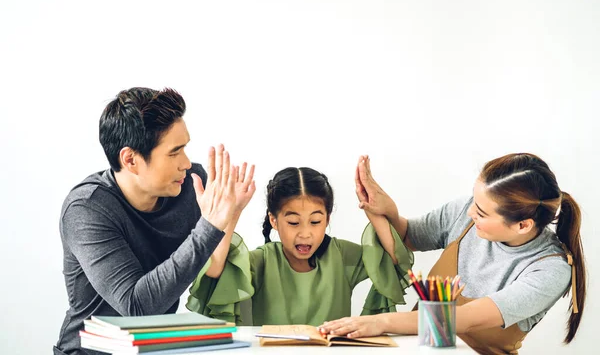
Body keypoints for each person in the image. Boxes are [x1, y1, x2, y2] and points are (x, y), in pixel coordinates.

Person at [55, 87, 256, 355]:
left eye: (185, 148)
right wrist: (209, 226)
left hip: (154, 349)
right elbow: (135, 307)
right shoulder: (87, 209)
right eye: (174, 152)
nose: (186, 163)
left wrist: (228, 216)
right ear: (131, 160)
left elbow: (212, 266)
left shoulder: (189, 185)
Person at [319, 153, 586, 354]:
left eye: (481, 213)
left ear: (523, 225)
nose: (471, 213)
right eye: (474, 202)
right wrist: (387, 209)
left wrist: (379, 322)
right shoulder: (466, 210)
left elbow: (463, 321)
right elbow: (408, 236)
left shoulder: (550, 270)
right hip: (417, 349)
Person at [186, 165, 414, 325]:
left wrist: (373, 211)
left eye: (315, 221)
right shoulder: (262, 261)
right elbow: (215, 274)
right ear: (274, 221)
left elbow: (394, 263)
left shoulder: (341, 255)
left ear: (327, 219)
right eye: (294, 222)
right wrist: (232, 213)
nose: (306, 233)